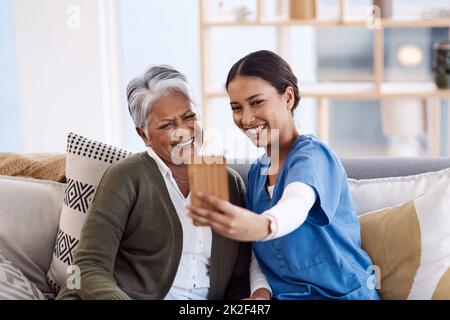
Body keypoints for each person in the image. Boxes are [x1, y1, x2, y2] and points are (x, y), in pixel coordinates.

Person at [187, 50, 381, 300]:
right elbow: (260, 253)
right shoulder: (257, 174)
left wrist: (262, 225)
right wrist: (260, 292)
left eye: (256, 102)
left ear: (288, 97)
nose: (246, 118)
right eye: (236, 108)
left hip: (340, 295)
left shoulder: (313, 156)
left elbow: (296, 204)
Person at [57, 65, 252, 300]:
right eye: (167, 125)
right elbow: (87, 266)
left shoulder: (230, 184)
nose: (183, 131)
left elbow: (239, 279)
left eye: (189, 117)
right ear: (143, 135)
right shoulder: (125, 178)